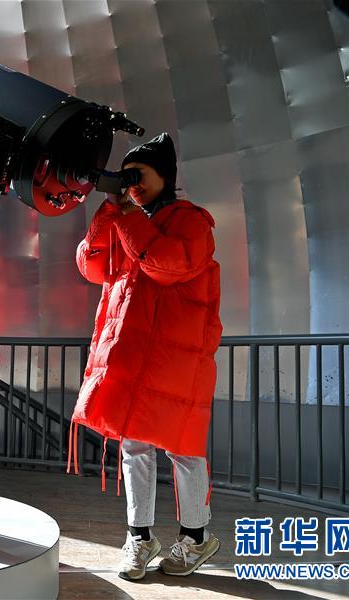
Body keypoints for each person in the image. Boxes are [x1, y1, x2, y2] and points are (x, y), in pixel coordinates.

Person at [67, 133, 223, 580]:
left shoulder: (191, 222)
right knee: (134, 446)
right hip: (134, 354)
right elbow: (93, 266)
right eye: (127, 176)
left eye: (140, 176)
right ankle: (140, 537)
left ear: (166, 177)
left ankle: (196, 538)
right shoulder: (127, 219)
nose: (132, 184)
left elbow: (167, 264)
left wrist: (129, 218)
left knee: (182, 447)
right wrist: (109, 212)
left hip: (175, 358)